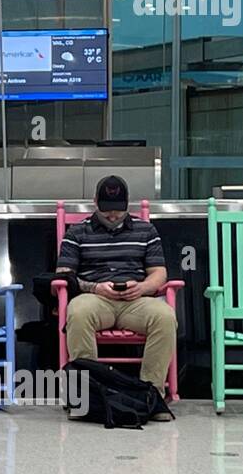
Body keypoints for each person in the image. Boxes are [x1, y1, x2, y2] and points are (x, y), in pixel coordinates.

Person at [56, 175, 176, 415]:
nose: (112, 216)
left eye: (118, 211)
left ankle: (151, 397)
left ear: (127, 204)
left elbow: (159, 273)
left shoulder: (145, 230)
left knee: (164, 316)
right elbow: (64, 275)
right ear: (94, 202)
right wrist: (93, 287)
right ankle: (88, 395)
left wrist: (142, 287)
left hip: (137, 300)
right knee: (78, 313)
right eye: (106, 210)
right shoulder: (78, 232)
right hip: (96, 297)